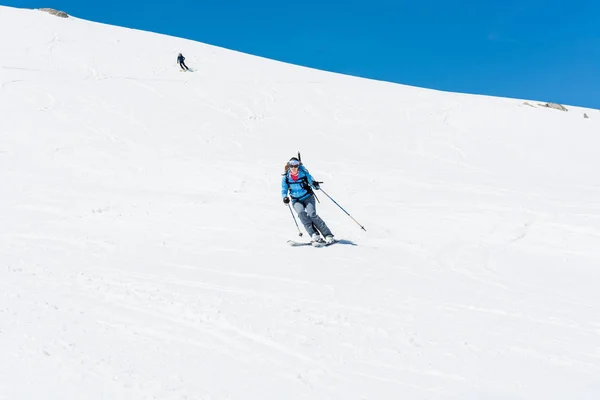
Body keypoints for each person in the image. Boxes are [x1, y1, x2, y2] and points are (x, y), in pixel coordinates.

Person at [281, 157, 335, 243]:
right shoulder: (286, 178)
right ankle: (314, 234)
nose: (294, 168)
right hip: (296, 200)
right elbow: (284, 190)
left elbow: (314, 185)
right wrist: (285, 197)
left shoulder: (304, 174)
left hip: (308, 197)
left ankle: (328, 235)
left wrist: (315, 184)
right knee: (301, 213)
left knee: (312, 214)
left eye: (296, 166)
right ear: (289, 166)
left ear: (298, 166)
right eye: (292, 166)